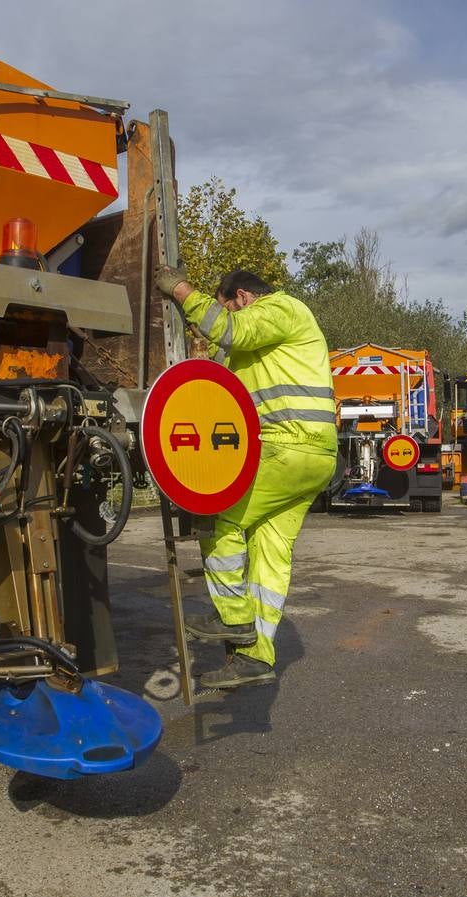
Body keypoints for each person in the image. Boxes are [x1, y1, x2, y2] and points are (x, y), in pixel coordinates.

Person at [155, 265, 337, 689]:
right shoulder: (266, 349)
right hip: (312, 456)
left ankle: (234, 620)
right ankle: (256, 657)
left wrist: (181, 290)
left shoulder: (282, 308)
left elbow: (231, 331)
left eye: (227, 308)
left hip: (288, 447)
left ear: (242, 297)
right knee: (271, 552)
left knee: (220, 520)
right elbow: (223, 379)